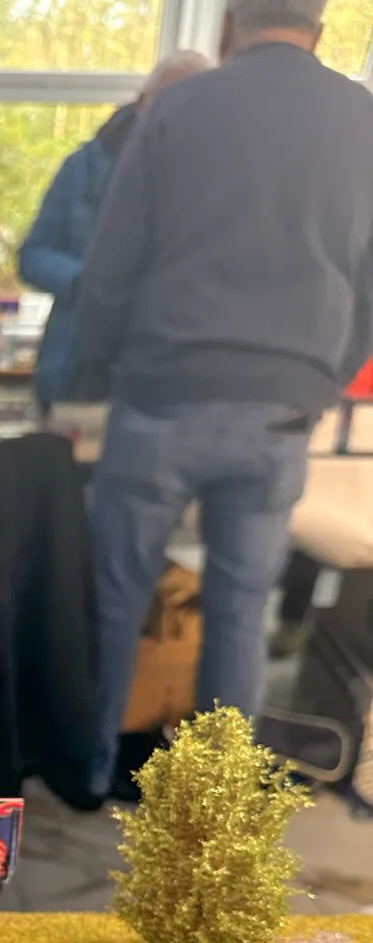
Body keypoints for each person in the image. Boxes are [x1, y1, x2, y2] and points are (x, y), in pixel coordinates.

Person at [78, 0, 373, 797]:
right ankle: (221, 794)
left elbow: (111, 264)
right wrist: (323, 380)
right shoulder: (362, 121)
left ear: (230, 24)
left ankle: (92, 772)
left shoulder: (179, 108)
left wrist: (102, 367)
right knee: (242, 611)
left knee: (115, 598)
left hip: (160, 397)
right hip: (282, 407)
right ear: (319, 28)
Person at [18, 51, 210, 410]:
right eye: (165, 101)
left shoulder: (219, 184)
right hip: (79, 366)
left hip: (170, 372)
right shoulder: (84, 167)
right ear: (142, 102)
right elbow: (33, 255)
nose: (175, 116)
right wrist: (87, 282)